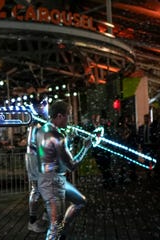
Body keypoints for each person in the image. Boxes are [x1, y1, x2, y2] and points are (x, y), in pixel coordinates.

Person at [36, 100, 92, 240]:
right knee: (54, 228)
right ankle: (60, 231)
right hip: (53, 182)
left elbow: (54, 154)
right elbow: (72, 165)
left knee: (80, 201)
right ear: (60, 116)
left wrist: (69, 141)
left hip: (50, 179)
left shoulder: (43, 130)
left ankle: (62, 230)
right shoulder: (57, 136)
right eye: (68, 115)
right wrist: (85, 148)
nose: (70, 119)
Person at [25, 98, 48, 233]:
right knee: (37, 190)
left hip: (39, 158)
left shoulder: (40, 123)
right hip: (35, 159)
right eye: (42, 105)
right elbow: (34, 144)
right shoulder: (36, 124)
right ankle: (32, 221)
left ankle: (45, 216)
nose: (44, 107)